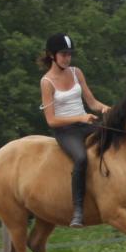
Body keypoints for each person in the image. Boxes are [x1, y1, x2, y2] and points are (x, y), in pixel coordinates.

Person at [39, 33, 110, 227]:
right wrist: (80, 117)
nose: (67, 58)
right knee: (81, 158)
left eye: (69, 54)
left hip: (85, 123)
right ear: (52, 55)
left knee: (117, 137)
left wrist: (106, 108)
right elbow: (51, 120)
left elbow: (92, 102)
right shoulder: (46, 82)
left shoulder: (76, 72)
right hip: (66, 131)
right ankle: (78, 210)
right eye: (63, 54)